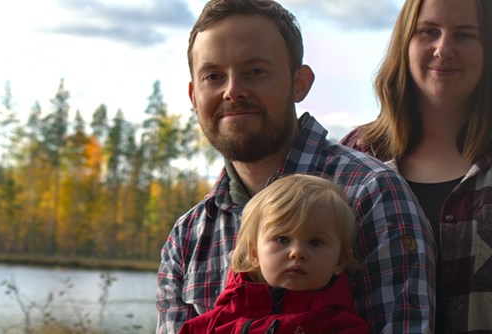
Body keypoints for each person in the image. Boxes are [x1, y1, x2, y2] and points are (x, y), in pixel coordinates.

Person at [156, 0, 436, 333]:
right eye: (214, 76)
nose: (232, 91)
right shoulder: (187, 239)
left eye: (255, 71)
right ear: (193, 96)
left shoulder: (372, 195)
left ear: (299, 83)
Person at [340, 0, 492, 332]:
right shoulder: (354, 157)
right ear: (405, 43)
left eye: (465, 35)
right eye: (429, 31)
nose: (444, 48)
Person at [178, 174, 367, 334]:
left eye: (316, 242)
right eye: (283, 239)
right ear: (254, 254)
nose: (297, 252)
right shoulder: (216, 322)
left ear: (339, 262)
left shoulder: (342, 327)